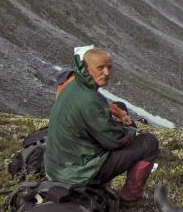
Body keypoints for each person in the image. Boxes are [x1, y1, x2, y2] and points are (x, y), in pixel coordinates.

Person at [44, 46, 159, 203]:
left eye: (109, 67)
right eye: (100, 68)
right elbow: (114, 140)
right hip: (77, 173)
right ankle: (130, 199)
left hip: (58, 167)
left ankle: (103, 188)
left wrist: (117, 116)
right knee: (149, 143)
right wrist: (131, 131)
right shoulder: (89, 99)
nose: (107, 73)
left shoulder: (73, 86)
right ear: (85, 67)